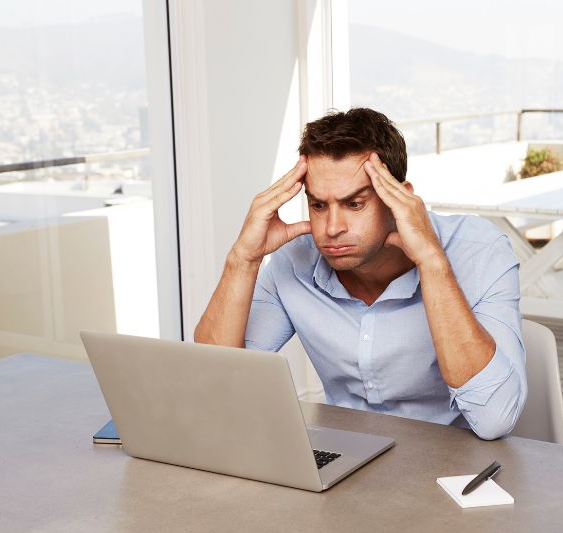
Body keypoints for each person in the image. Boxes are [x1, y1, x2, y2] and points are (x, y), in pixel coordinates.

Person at [194, 108, 527, 440]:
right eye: (319, 205)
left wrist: (431, 263)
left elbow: (494, 419)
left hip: (455, 465)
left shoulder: (480, 252)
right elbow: (216, 383)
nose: (332, 228)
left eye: (354, 204)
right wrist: (243, 259)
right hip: (344, 457)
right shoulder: (294, 260)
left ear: (401, 199)